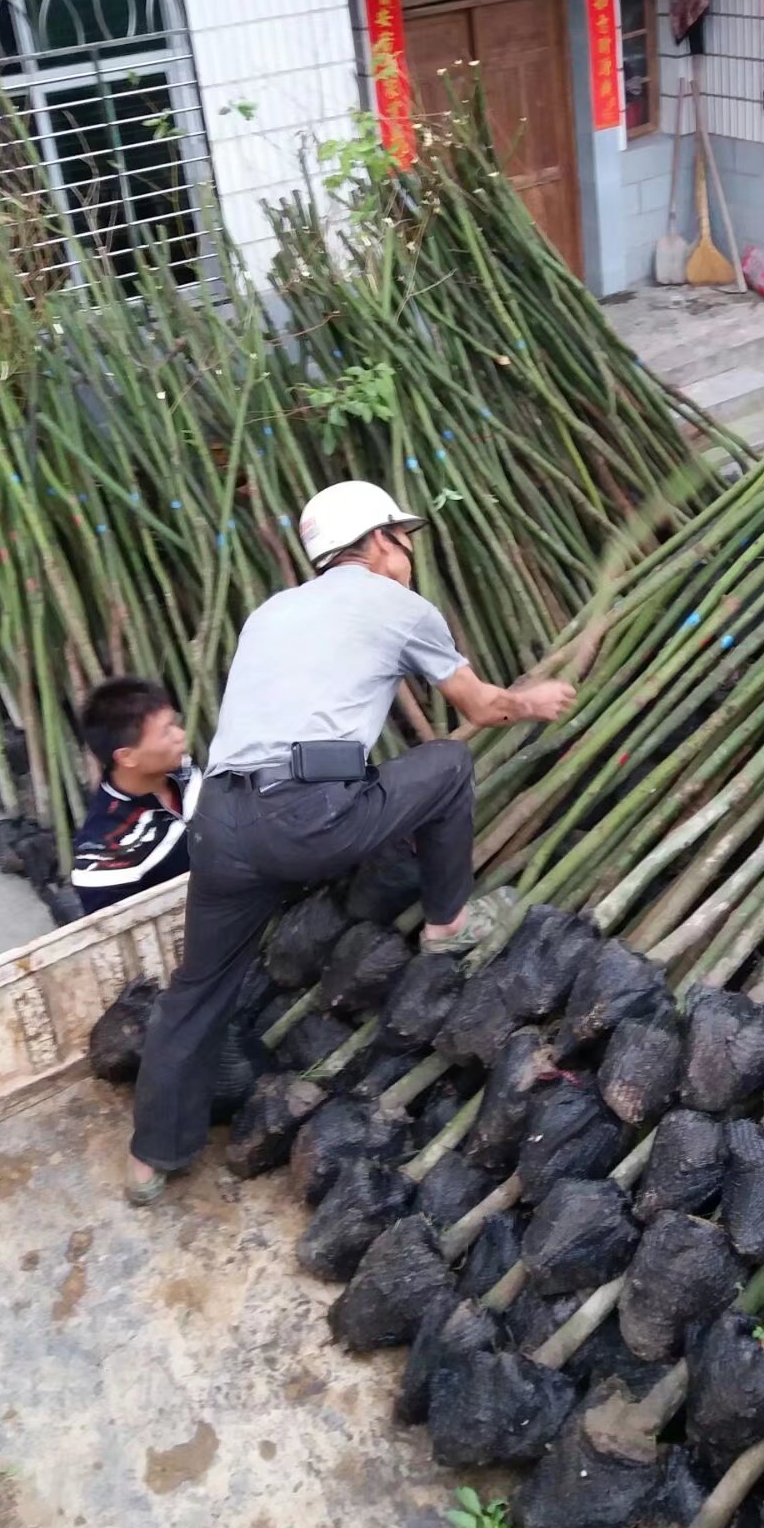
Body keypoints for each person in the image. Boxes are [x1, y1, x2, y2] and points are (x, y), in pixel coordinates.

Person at [126, 480, 576, 1205]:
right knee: (447, 764)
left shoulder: (271, 612)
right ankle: (448, 924)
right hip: (306, 819)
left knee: (197, 988)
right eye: (402, 539)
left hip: (219, 821)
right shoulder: (397, 605)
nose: (408, 554)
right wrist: (535, 701)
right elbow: (480, 708)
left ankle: (152, 1161)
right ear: (374, 544)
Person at [71, 677, 200, 917]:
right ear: (127, 757)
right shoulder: (106, 852)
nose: (180, 736)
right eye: (166, 733)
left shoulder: (184, 771)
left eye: (175, 723)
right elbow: (118, 937)